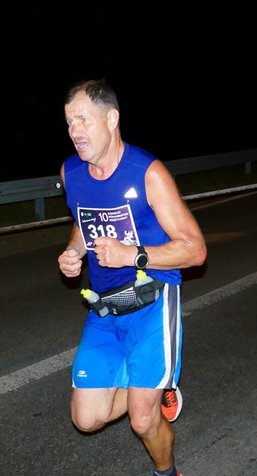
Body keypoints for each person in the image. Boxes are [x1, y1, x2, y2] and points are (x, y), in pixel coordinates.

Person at [57, 79, 207, 476]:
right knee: (86, 419)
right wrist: (75, 251)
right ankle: (153, 383)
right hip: (105, 308)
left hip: (153, 299)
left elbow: (195, 250)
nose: (74, 131)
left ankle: (166, 471)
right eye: (69, 122)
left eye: (83, 120)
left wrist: (132, 254)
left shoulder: (148, 173)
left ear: (112, 118)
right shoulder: (72, 172)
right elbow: (82, 222)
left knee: (143, 420)